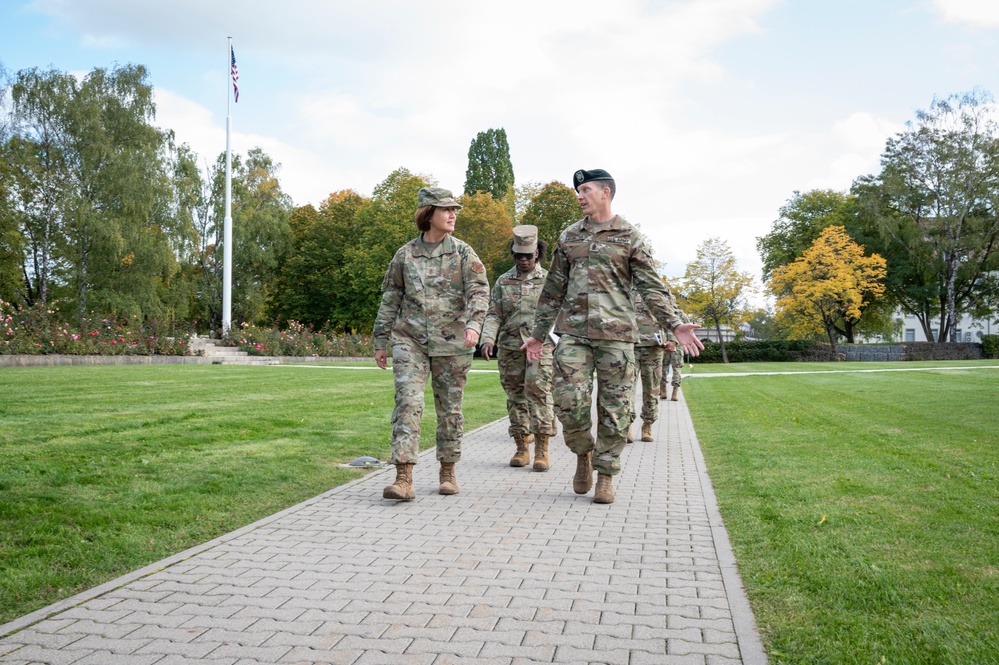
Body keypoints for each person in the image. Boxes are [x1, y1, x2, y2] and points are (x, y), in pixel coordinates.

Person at [521, 168, 703, 504]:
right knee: (569, 402)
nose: (579, 195)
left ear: (606, 192)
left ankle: (606, 474)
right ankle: (583, 455)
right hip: (573, 334)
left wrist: (675, 323)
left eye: (586, 189)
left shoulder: (630, 236)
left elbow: (651, 286)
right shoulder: (569, 236)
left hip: (617, 338)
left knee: (615, 409)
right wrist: (537, 334)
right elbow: (552, 289)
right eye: (578, 190)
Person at [373, 187, 489, 500]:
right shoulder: (405, 254)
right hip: (410, 340)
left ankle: (448, 470)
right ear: (428, 214)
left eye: (454, 209)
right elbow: (391, 298)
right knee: (408, 403)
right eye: (445, 209)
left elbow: (479, 292)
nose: (452, 215)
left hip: (453, 343)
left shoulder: (463, 253)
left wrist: (474, 325)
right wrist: (381, 340)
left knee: (449, 410)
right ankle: (403, 477)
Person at [480, 225, 558, 471]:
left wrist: (553, 340)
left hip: (540, 348)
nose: (523, 260)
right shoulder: (504, 281)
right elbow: (494, 313)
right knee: (515, 398)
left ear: (537, 254)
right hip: (510, 347)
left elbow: (558, 313)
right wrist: (488, 339)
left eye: (528, 255)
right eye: (518, 255)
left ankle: (542, 451)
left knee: (539, 394)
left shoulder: (549, 281)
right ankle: (521, 448)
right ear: (513, 255)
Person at [629, 289, 664, 443]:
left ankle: (647, 425)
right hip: (629, 345)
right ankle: (626, 425)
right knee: (625, 388)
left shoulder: (659, 289)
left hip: (653, 347)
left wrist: (672, 339)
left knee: (651, 390)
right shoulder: (623, 284)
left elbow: (671, 314)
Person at [661, 329, 686, 402]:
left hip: (665, 345)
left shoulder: (663, 318)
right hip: (677, 346)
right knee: (677, 370)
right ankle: (674, 393)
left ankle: (663, 391)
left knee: (663, 368)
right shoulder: (682, 317)